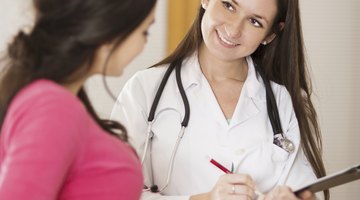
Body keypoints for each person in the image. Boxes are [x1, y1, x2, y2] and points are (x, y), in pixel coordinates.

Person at [111, 0, 329, 199]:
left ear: (271, 34)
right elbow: (115, 192)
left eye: (254, 21)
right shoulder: (144, 89)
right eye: (229, 5)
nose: (234, 30)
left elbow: (303, 190)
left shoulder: (281, 100)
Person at [0, 0, 157, 199]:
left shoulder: (57, 101)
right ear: (109, 32)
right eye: (145, 32)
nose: (144, 45)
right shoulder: (54, 107)